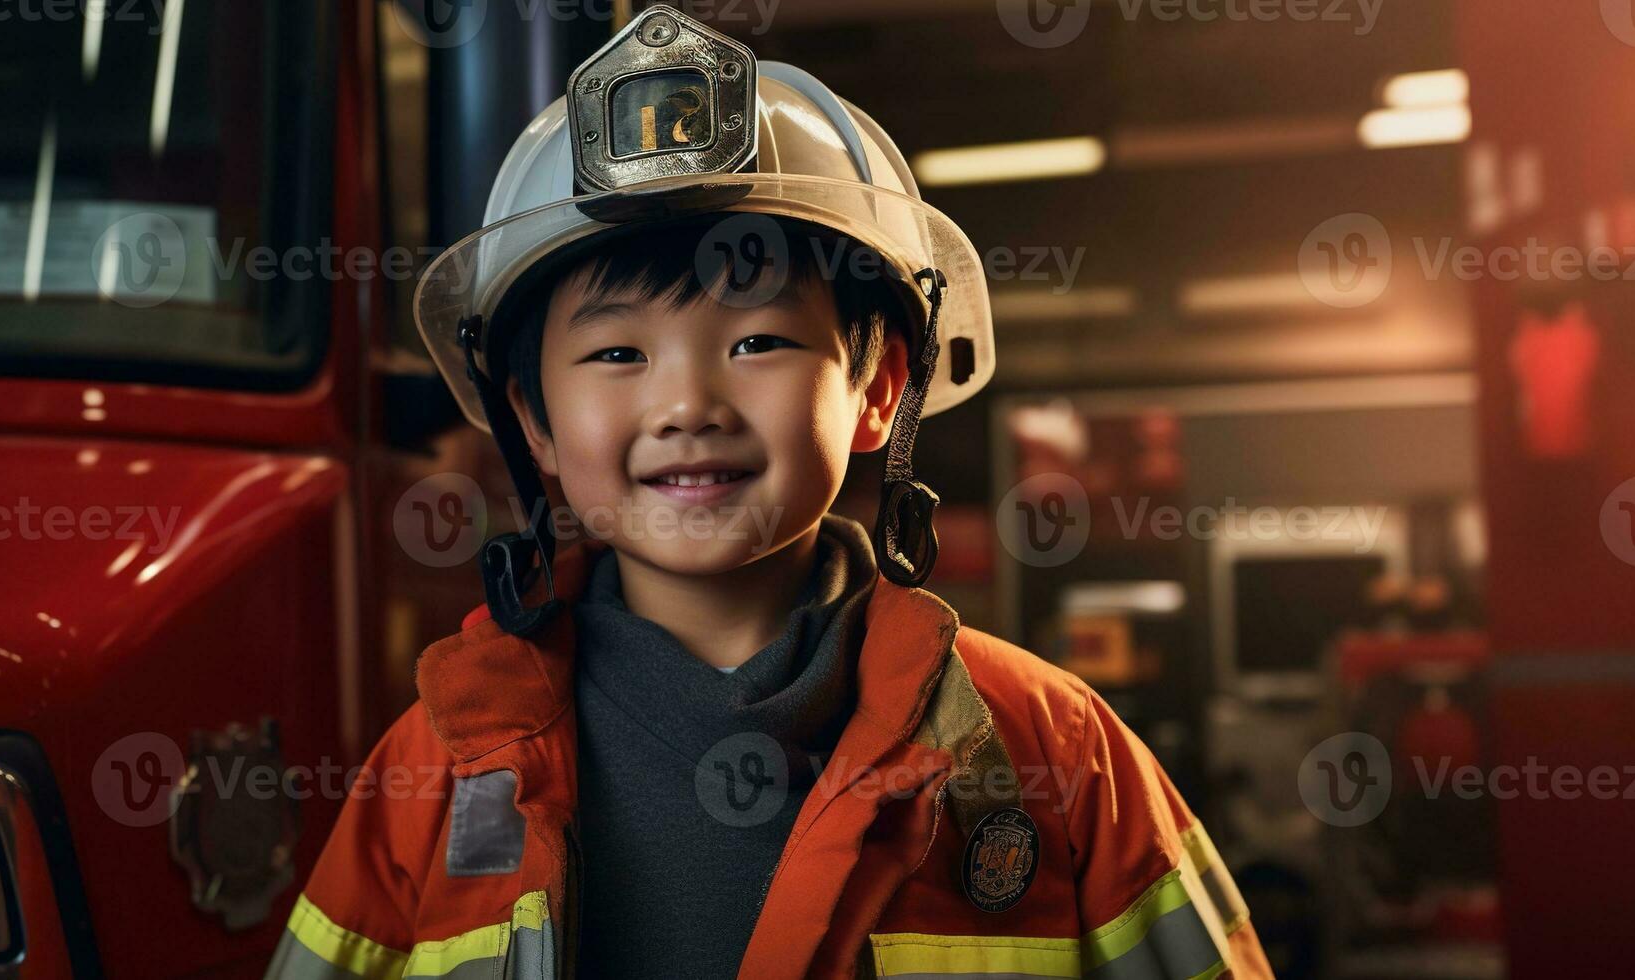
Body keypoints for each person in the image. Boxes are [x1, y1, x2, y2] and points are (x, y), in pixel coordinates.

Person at [267, 6, 1274, 978]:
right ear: (531, 420)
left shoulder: (1053, 752)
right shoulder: (434, 768)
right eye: (617, 351)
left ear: (879, 390)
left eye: (758, 341)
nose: (687, 404)